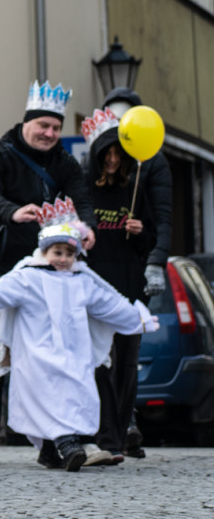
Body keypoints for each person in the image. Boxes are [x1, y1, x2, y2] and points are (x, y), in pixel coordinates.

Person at [0, 202, 159, 471]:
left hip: (74, 355)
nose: (63, 259)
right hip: (38, 355)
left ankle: (50, 451)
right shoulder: (27, 279)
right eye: (57, 252)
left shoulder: (82, 281)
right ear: (44, 252)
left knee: (76, 394)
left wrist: (138, 319)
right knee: (46, 396)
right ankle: (66, 444)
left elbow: (109, 304)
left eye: (69, 253)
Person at [0, 80, 96, 464]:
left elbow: (82, 200)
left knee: (49, 356)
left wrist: (86, 228)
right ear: (27, 123)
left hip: (46, 271)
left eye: (56, 128)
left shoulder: (65, 163)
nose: (49, 134)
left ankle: (52, 441)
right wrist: (13, 212)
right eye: (43, 125)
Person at [100, 87, 173, 459]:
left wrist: (156, 260)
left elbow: (163, 217)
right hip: (101, 268)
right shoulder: (98, 156)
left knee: (128, 351)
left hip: (134, 267)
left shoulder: (152, 162)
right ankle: (105, 423)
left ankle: (126, 419)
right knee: (102, 351)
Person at [80, 109, 155, 465]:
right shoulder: (84, 191)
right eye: (106, 154)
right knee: (99, 361)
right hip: (95, 288)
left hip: (128, 287)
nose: (112, 160)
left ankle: (121, 433)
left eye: (117, 154)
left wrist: (140, 233)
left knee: (126, 363)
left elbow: (150, 240)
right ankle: (104, 434)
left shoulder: (133, 190)